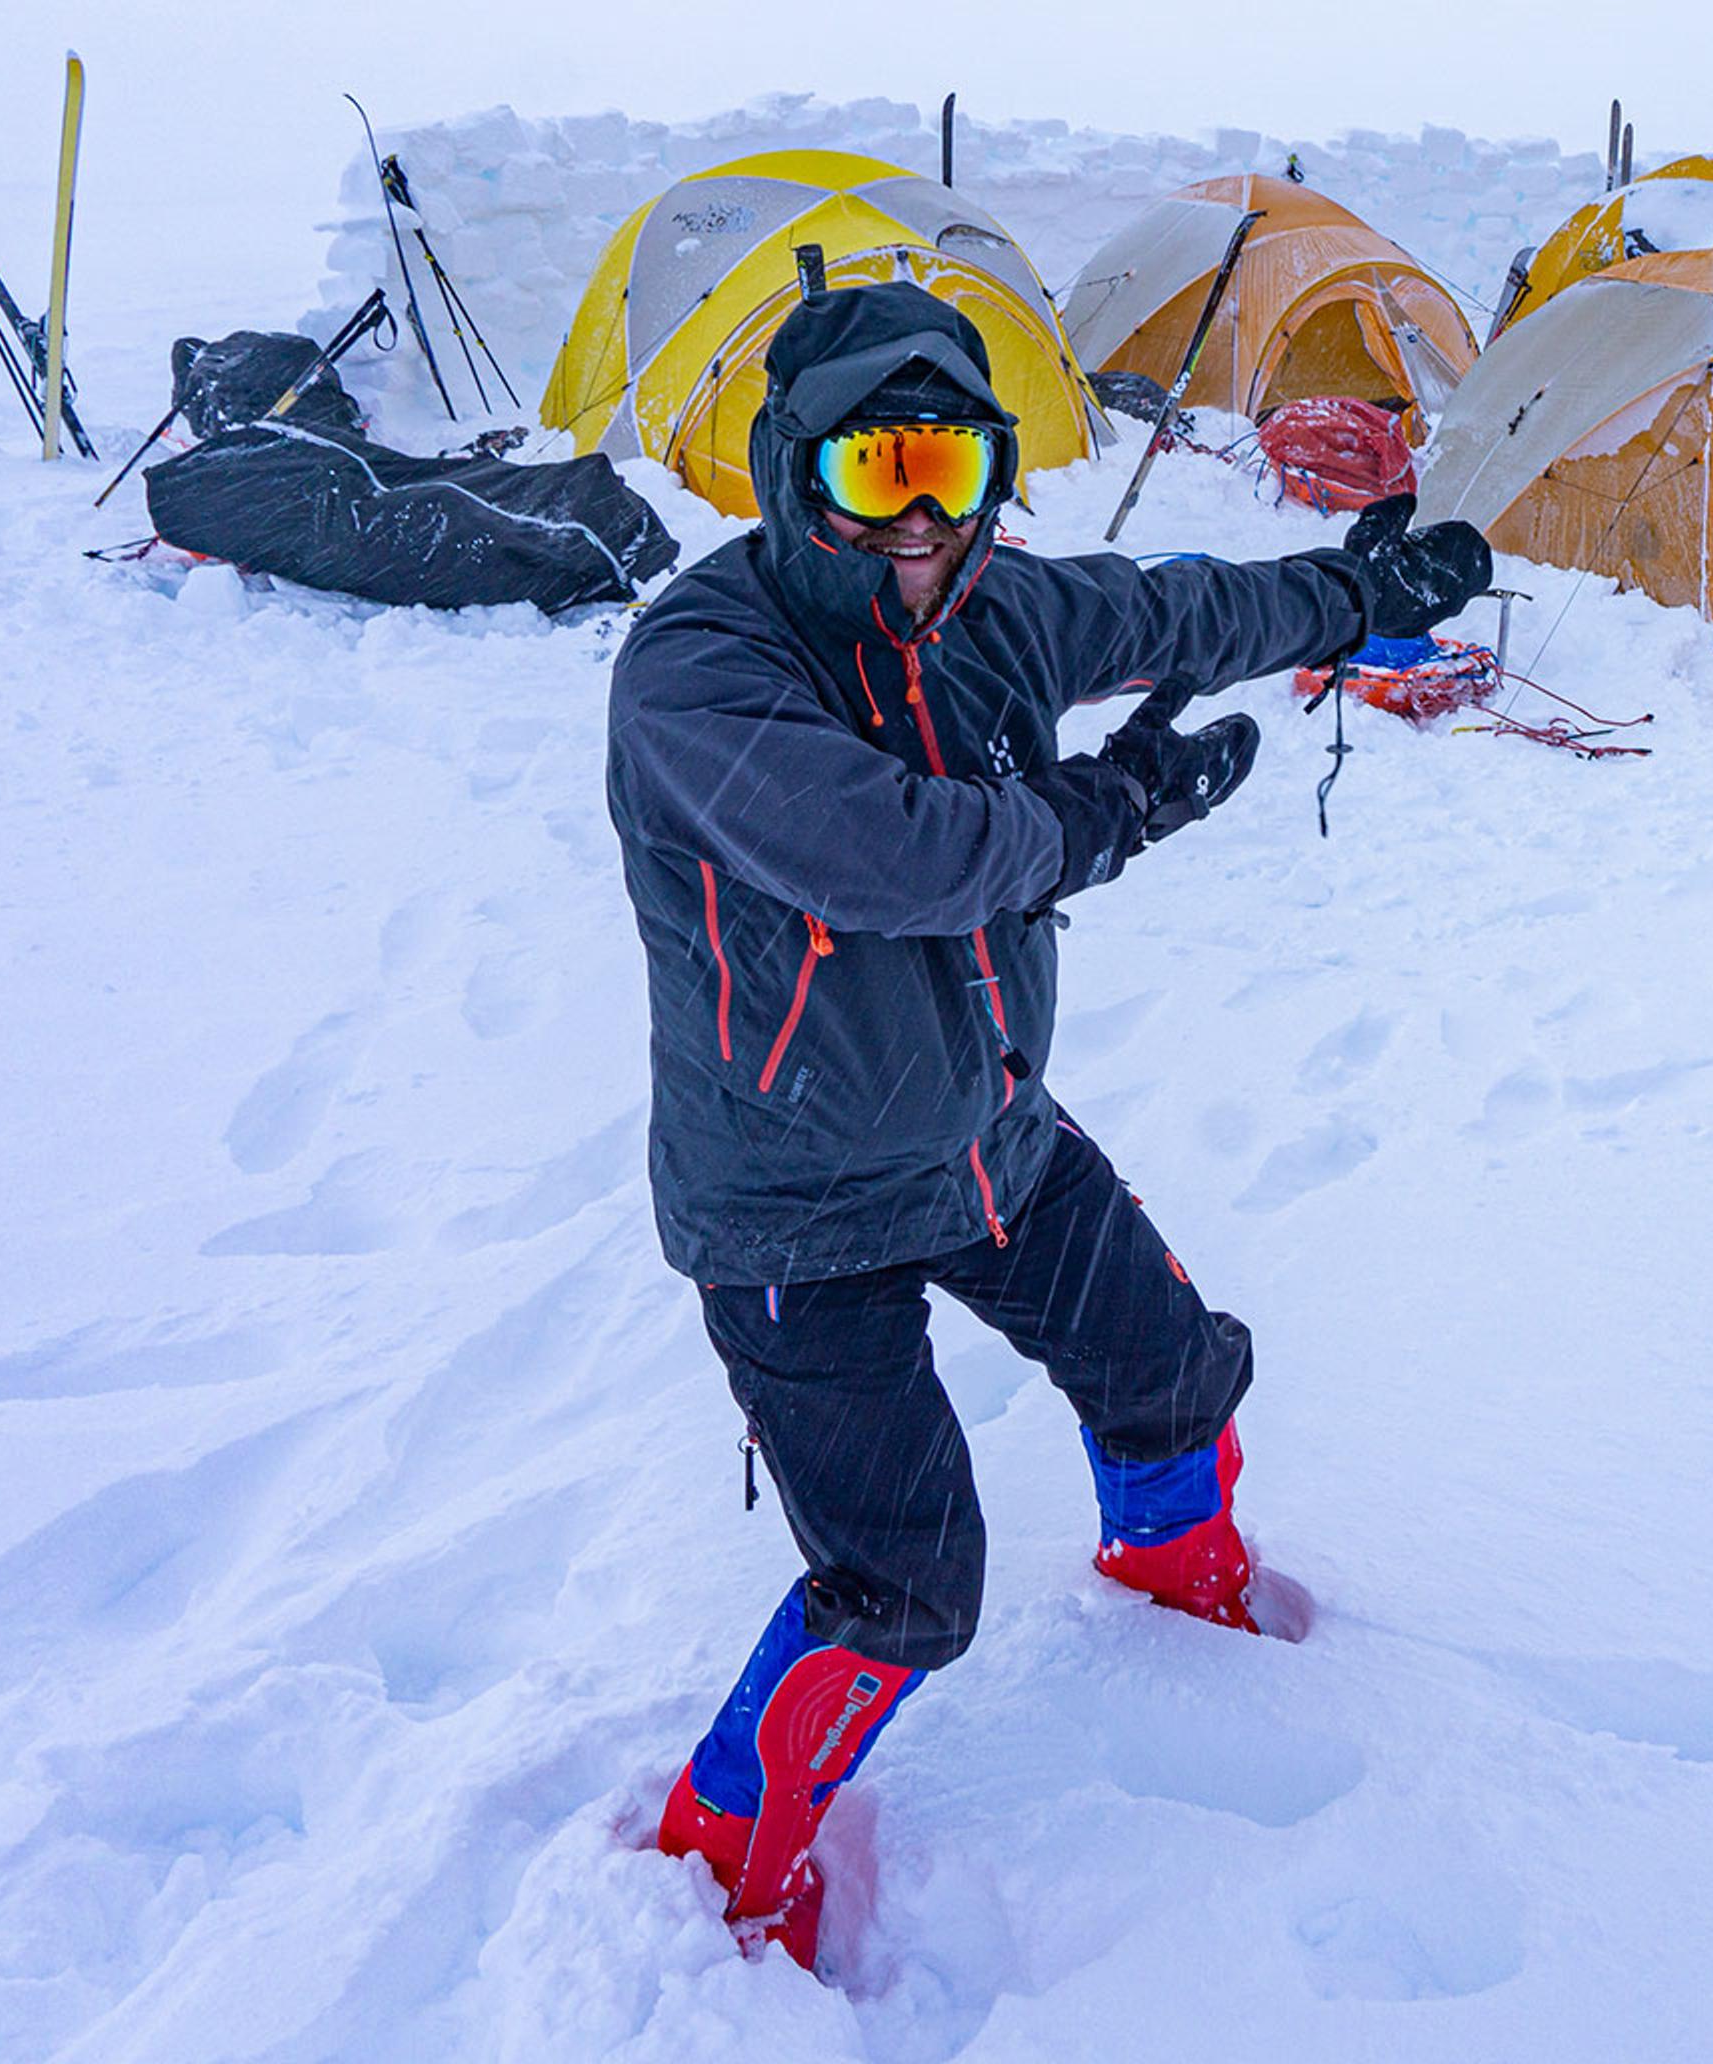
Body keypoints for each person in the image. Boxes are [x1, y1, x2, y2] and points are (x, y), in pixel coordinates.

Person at [604, 276, 1490, 1967]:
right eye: (876, 477)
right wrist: (1105, 812)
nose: (923, 519)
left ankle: (1179, 1587)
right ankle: (727, 1857)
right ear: (795, 476)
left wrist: (1352, 591)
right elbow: (899, 857)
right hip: (792, 1206)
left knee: (1173, 1373)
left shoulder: (994, 608)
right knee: (906, 1584)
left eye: (953, 465)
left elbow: (1173, 613)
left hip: (989, 1141)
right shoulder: (702, 670)